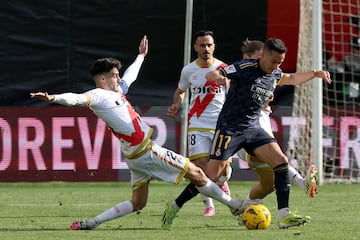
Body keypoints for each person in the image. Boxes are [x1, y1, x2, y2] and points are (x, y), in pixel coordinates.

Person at [30, 35, 245, 231]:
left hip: (134, 157)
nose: (118, 79)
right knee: (198, 173)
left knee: (138, 203)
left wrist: (141, 56)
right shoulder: (97, 95)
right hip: (146, 152)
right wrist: (53, 98)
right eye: (114, 76)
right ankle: (235, 205)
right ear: (103, 79)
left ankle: (91, 223)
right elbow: (75, 98)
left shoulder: (116, 91)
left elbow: (129, 77)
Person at [162, 38, 331, 230]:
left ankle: (284, 215)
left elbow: (291, 78)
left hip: (253, 128)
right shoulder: (246, 66)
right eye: (274, 61)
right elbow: (216, 73)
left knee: (281, 162)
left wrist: (315, 74)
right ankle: (175, 206)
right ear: (264, 55)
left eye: (280, 62)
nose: (276, 66)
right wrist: (216, 76)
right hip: (229, 128)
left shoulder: (275, 73)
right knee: (209, 177)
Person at [238, 39, 319, 209]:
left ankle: (244, 208)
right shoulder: (239, 73)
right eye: (260, 57)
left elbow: (291, 78)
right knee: (279, 159)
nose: (268, 63)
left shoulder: (269, 75)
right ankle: (301, 185)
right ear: (247, 57)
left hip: (259, 123)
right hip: (244, 130)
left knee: (268, 185)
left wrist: (314, 73)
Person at [167, 30, 231, 217]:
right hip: (197, 123)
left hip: (221, 124)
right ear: (195, 47)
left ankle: (222, 181)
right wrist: (177, 104)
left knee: (223, 170)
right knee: (200, 167)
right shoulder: (188, 70)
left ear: (214, 47)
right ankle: (209, 205)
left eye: (209, 45)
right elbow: (180, 91)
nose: (206, 48)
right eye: (202, 45)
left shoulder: (224, 68)